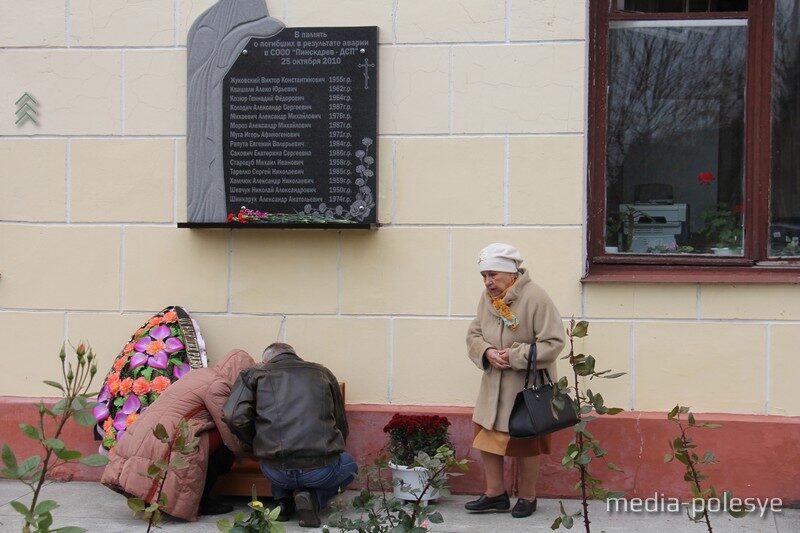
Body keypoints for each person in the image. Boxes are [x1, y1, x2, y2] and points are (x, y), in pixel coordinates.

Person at [465, 243, 566, 519]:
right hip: (493, 385)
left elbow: (554, 342)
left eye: (493, 275)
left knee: (525, 440)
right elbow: (474, 334)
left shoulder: (536, 297)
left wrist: (514, 356)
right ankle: (495, 494)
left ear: (511, 274)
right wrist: (486, 352)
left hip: (524, 387)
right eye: (484, 275)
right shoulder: (486, 298)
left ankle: (528, 497)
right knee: (487, 436)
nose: (488, 282)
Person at [101, 349, 255, 521]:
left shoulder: (199, 374)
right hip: (168, 433)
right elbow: (227, 425)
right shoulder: (219, 385)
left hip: (145, 430)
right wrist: (245, 452)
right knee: (223, 452)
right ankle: (204, 502)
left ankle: (150, 497)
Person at [223, 342, 355, 528]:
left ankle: (283, 504)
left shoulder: (255, 374)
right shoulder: (322, 373)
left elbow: (232, 416)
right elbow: (341, 423)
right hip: (320, 470)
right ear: (294, 355)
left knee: (278, 450)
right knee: (351, 465)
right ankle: (314, 500)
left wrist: (255, 443)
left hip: (275, 471)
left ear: (265, 360)